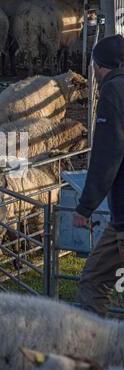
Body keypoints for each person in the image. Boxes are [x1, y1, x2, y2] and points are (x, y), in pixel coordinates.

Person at [73, 34, 124, 317]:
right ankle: (98, 350)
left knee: (94, 283)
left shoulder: (113, 90)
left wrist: (85, 206)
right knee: (93, 279)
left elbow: (108, 152)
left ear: (98, 65)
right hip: (119, 221)